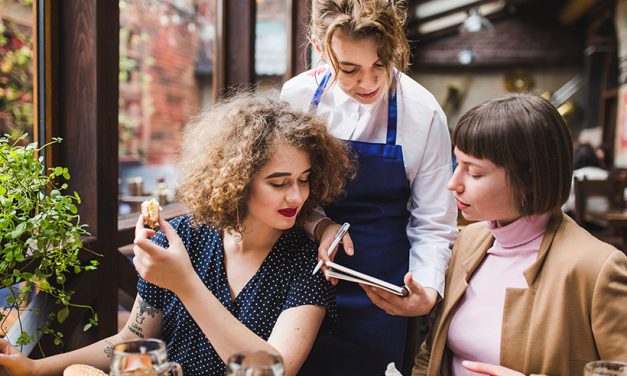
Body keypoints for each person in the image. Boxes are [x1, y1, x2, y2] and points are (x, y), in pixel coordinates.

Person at [0, 94, 354, 376]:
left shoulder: (310, 263)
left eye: (304, 179)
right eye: (279, 183)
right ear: (238, 181)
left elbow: (275, 368)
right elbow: (133, 338)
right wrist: (33, 368)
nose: (296, 196)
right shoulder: (182, 238)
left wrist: (184, 283)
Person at [280, 0, 457, 373]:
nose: (369, 81)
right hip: (301, 278)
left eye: (381, 63)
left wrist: (424, 292)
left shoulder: (423, 113)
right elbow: (282, 193)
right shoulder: (296, 99)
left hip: (383, 290)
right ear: (317, 45)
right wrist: (319, 224)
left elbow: (434, 223)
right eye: (350, 69)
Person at [413, 93, 627, 376]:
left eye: (474, 173)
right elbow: (432, 354)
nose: (454, 184)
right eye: (457, 164)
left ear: (529, 179)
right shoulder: (468, 240)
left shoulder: (596, 269)